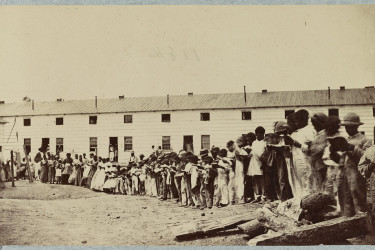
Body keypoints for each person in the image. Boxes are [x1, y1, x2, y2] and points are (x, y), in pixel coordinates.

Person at [330, 113, 372, 216]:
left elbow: (367, 158)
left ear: (357, 126)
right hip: (344, 173)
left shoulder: (365, 140)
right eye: (347, 127)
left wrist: (351, 148)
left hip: (356, 173)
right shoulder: (346, 139)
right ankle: (347, 220)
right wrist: (333, 153)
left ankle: (362, 221)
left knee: (357, 195)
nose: (349, 129)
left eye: (352, 127)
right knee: (344, 196)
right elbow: (342, 160)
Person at [310, 113, 329, 192]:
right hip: (316, 164)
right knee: (318, 184)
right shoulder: (318, 134)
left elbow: (319, 148)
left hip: (321, 165)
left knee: (322, 185)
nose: (314, 126)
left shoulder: (324, 134)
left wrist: (310, 148)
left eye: (315, 124)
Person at [248, 127, 267, 203]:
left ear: (262, 134)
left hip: (261, 162)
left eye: (259, 134)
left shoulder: (265, 142)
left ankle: (263, 196)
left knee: (262, 179)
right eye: (257, 134)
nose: (258, 136)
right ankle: (257, 196)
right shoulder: (254, 143)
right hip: (254, 162)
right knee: (255, 179)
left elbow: (265, 153)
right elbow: (252, 152)